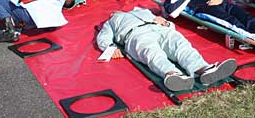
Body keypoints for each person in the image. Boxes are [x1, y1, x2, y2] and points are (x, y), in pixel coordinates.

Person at [97, 8, 237, 92]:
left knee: (180, 44)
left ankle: (203, 69)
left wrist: (165, 22)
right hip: (135, 35)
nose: (113, 12)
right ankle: (172, 74)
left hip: (159, 28)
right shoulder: (112, 22)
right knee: (152, 53)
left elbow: (167, 23)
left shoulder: (143, 11)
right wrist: (110, 48)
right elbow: (103, 37)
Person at [163, 0, 255, 56]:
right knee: (231, 22)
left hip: (220, 3)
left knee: (246, 16)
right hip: (204, 9)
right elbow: (173, 11)